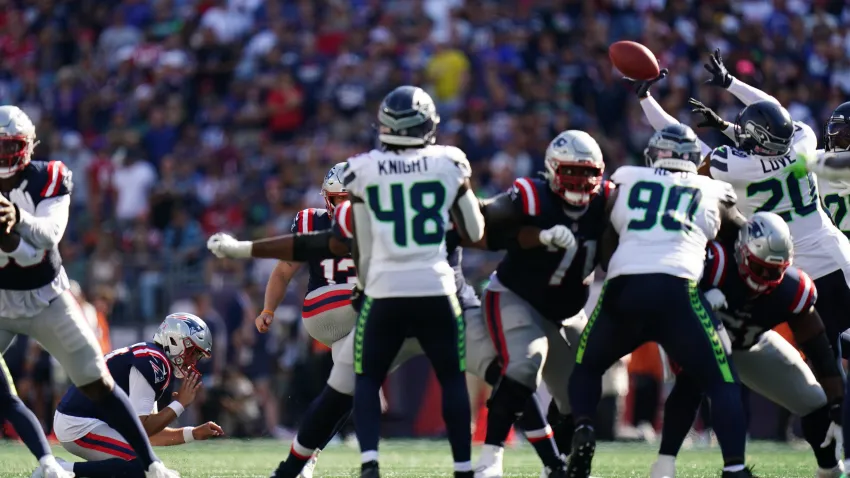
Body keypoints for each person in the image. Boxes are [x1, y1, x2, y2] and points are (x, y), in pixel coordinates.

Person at [208, 194, 572, 478]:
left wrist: (245, 249)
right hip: (435, 303)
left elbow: (314, 248)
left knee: (351, 385)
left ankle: (337, 465)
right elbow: (486, 233)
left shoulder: (377, 193)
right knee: (498, 376)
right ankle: (520, 462)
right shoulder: (426, 183)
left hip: (399, 305)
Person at [0, 105, 178, 478]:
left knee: (98, 382)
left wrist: (17, 221)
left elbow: (48, 237)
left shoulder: (50, 176)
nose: (3, 156)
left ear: (29, 145)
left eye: (10, 146)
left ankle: (152, 466)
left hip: (46, 296)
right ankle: (49, 465)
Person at [566, 124, 752, 478]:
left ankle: (584, 427)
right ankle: (735, 468)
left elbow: (607, 242)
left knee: (587, 367)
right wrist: (720, 287)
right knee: (722, 381)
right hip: (677, 289)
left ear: (656, 155)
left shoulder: (627, 180)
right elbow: (744, 239)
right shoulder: (711, 190)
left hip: (624, 288)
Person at [650, 213, 843, 478]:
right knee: (691, 379)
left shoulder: (792, 289)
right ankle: (665, 463)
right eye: (759, 267)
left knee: (814, 401)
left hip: (750, 344)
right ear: (741, 252)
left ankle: (830, 469)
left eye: (774, 271)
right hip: (700, 338)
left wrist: (838, 406)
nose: (764, 278)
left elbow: (819, 350)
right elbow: (668, 297)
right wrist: (700, 298)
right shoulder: (713, 264)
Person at [471, 130, 610, 478]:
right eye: (571, 172)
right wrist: (538, 236)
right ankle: (490, 459)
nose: (580, 181)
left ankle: (558, 464)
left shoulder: (608, 200)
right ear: (552, 170)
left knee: (577, 395)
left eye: (587, 172)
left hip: (566, 312)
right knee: (524, 364)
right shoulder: (531, 196)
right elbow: (491, 220)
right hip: (516, 297)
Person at [53, 313, 224, 477]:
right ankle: (60, 471)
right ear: (175, 341)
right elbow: (142, 429)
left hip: (81, 419)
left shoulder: (154, 357)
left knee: (150, 465)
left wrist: (192, 433)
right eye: (193, 352)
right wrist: (179, 405)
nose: (193, 361)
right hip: (78, 423)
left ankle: (63, 470)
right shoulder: (153, 361)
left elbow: (147, 435)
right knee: (145, 466)